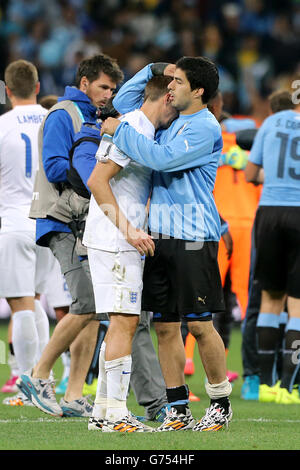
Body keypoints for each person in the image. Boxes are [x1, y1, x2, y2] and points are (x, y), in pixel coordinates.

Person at [102, 57, 233, 432]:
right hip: (159, 236)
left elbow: (161, 158)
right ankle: (177, 408)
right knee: (164, 327)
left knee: (199, 325)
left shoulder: (204, 127)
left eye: (177, 82)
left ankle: (220, 403)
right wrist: (151, 70)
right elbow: (124, 105)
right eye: (168, 81)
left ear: (199, 91)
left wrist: (117, 132)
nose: (169, 87)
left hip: (193, 237)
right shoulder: (173, 120)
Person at [17, 54, 124, 417]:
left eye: (113, 88)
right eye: (103, 86)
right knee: (87, 304)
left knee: (92, 309)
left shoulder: (95, 117)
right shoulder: (65, 113)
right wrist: (93, 164)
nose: (108, 94)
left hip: (82, 222)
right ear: (84, 83)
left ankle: (74, 393)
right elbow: (53, 165)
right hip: (61, 220)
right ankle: (37, 373)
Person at [83, 75, 177, 433]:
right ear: (166, 97)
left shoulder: (137, 128)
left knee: (122, 324)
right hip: (116, 239)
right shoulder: (134, 127)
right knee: (125, 322)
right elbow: (97, 180)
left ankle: (103, 413)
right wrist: (130, 230)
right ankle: (118, 415)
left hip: (115, 238)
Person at [0, 60, 55, 406]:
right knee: (35, 301)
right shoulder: (52, 120)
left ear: (7, 91)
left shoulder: (2, 126)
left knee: (20, 304)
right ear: (37, 87)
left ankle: (24, 384)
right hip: (48, 221)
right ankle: (42, 378)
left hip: (15, 221)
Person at [244, 89, 300, 404]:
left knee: (269, 300)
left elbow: (250, 174)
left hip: (270, 214)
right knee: (298, 307)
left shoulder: (270, 123)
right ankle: (290, 388)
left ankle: (266, 385)